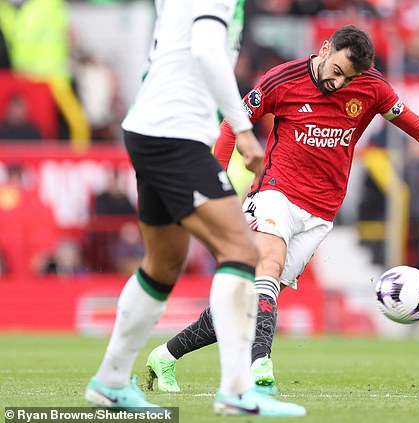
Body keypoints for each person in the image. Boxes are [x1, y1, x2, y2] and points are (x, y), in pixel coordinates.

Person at [145, 24, 419, 394]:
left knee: (248, 302)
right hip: (275, 192)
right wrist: (213, 190)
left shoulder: (372, 88)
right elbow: (231, 127)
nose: (338, 84)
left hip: (321, 213)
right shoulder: (282, 79)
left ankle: (165, 356)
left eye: (348, 78)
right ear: (324, 49)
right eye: (336, 71)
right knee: (268, 267)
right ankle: (260, 368)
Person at [84, 0, 306, 417]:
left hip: (151, 128)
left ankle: (111, 382)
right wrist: (243, 129)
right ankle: (237, 390)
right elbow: (206, 48)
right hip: (175, 134)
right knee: (242, 251)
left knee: (164, 263)